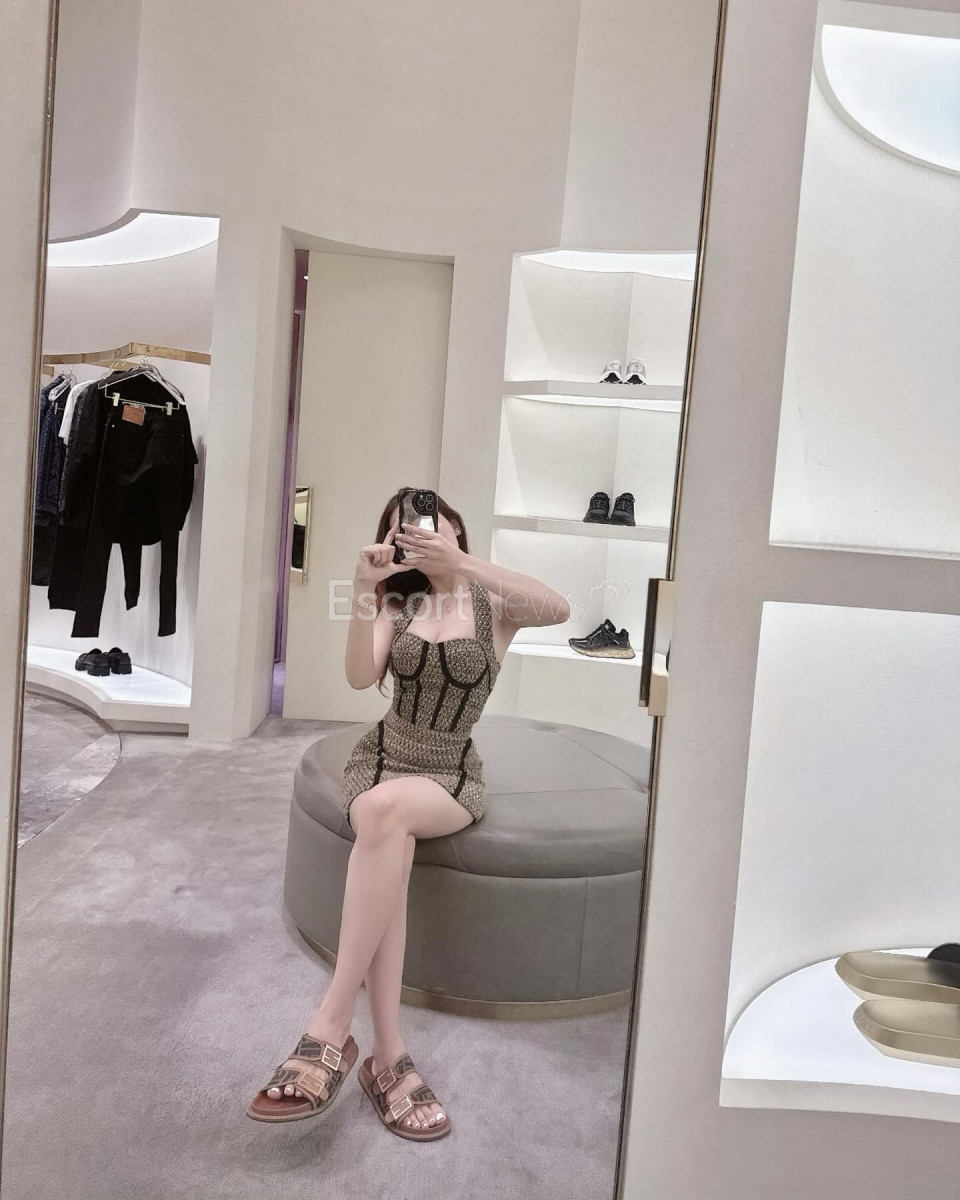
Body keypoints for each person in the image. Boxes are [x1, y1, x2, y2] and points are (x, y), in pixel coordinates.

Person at [247, 488, 570, 1140]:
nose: (417, 534)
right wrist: (364, 590)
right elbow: (359, 676)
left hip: (449, 773)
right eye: (403, 530)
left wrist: (462, 563)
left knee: (386, 813)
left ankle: (330, 1023)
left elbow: (559, 607)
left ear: (455, 527)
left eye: (429, 523)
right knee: (384, 825)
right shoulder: (401, 604)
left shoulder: (495, 605)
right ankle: (387, 1057)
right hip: (381, 757)